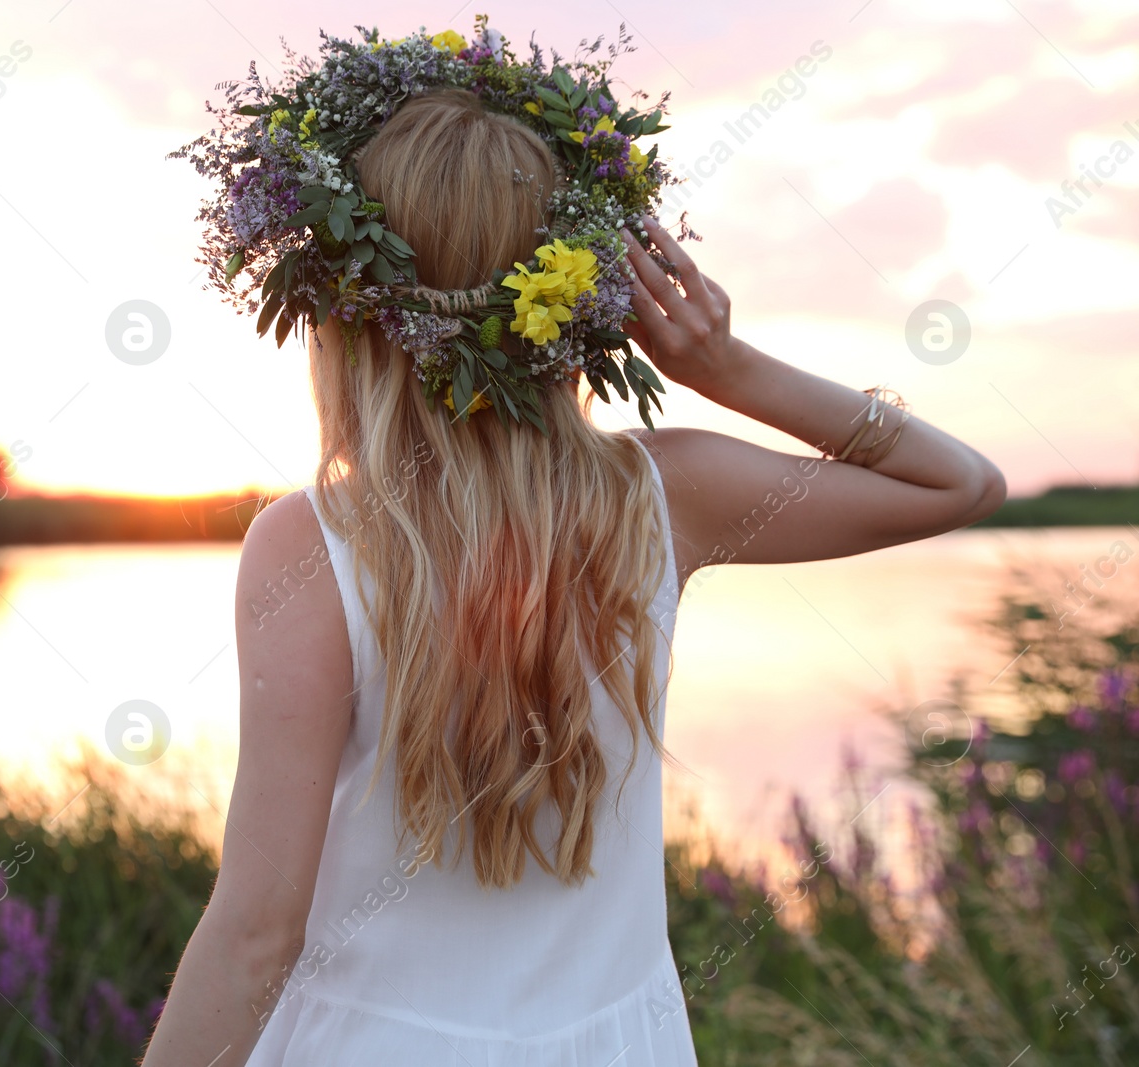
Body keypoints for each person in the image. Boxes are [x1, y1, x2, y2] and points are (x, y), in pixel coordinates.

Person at [142, 89, 1005, 1067]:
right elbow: (959, 482)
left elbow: (258, 932)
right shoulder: (667, 494)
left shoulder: (310, 543)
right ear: (575, 287)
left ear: (343, 300)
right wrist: (726, 366)